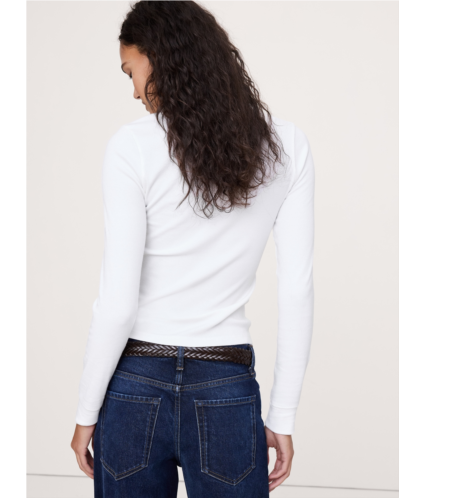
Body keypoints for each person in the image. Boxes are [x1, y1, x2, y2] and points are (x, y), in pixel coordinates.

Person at [71, 0, 315, 496]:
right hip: (225, 384)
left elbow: (117, 304)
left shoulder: (131, 147)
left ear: (160, 56)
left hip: (135, 382)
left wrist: (85, 412)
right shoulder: (287, 147)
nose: (134, 91)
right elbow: (296, 290)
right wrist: (282, 416)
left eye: (132, 72)